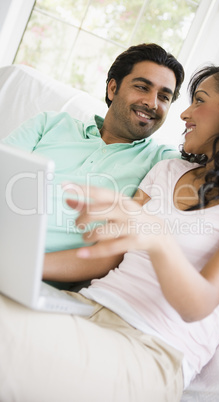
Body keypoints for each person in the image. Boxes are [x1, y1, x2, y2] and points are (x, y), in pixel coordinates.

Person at [1, 65, 219, 401]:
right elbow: (107, 255)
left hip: (150, 348)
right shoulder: (169, 170)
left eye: (199, 100)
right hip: (82, 307)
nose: (184, 113)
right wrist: (18, 265)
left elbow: (198, 305)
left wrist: (158, 238)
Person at [2, 43, 184, 288]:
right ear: (112, 88)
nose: (152, 103)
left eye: (164, 97)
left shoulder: (163, 163)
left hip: (40, 282)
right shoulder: (50, 124)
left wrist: (18, 265)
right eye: (142, 87)